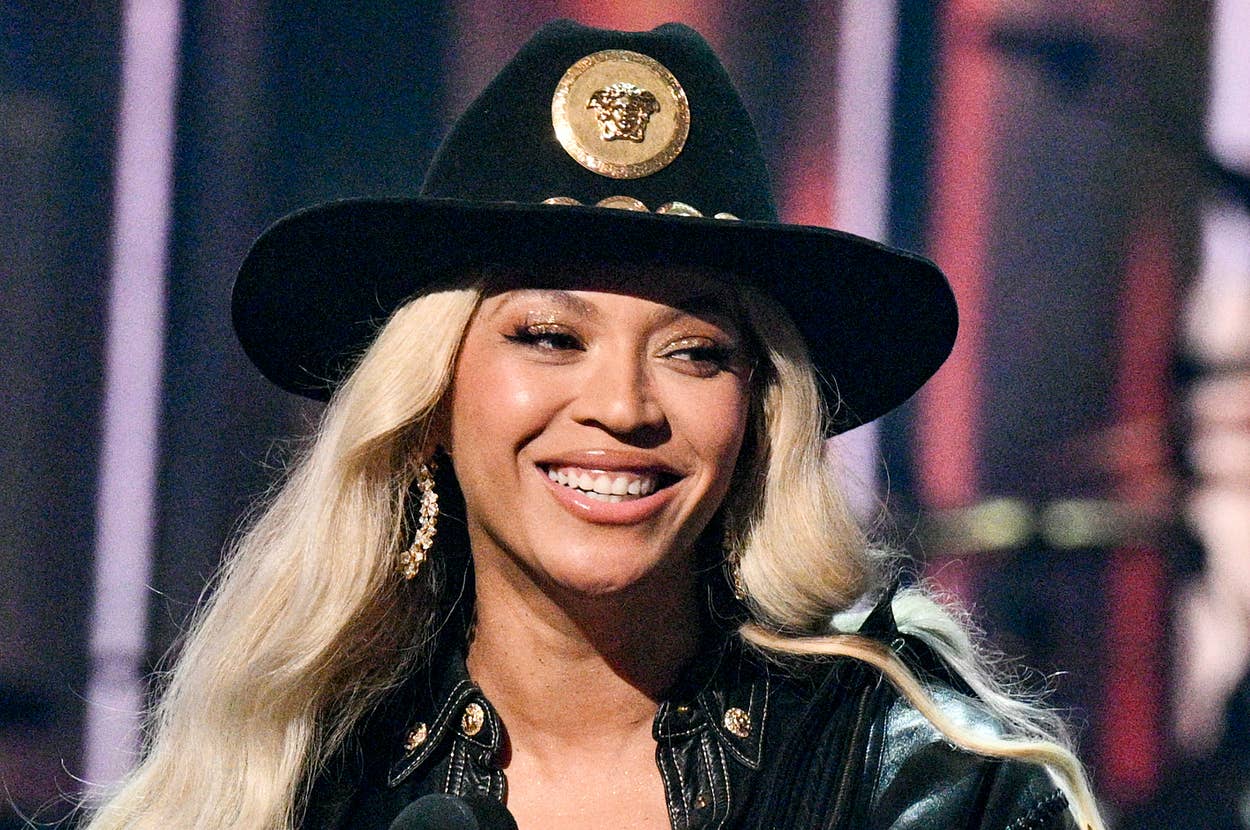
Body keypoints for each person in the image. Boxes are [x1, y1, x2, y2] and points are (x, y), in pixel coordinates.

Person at [85, 20, 1103, 830]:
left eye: (694, 350)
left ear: (759, 415)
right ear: (430, 398)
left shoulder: (929, 788)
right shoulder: (278, 777)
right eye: (546, 335)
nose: (621, 406)